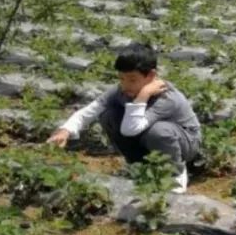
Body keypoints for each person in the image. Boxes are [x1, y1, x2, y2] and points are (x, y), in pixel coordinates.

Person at [47, 44, 201, 193]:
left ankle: (174, 176)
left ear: (151, 76)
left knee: (158, 131)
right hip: (145, 135)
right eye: (122, 79)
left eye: (132, 80)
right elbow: (93, 108)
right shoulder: (122, 89)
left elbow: (130, 129)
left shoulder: (166, 97)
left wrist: (143, 95)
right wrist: (66, 130)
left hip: (185, 142)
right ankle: (138, 167)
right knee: (109, 115)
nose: (126, 85)